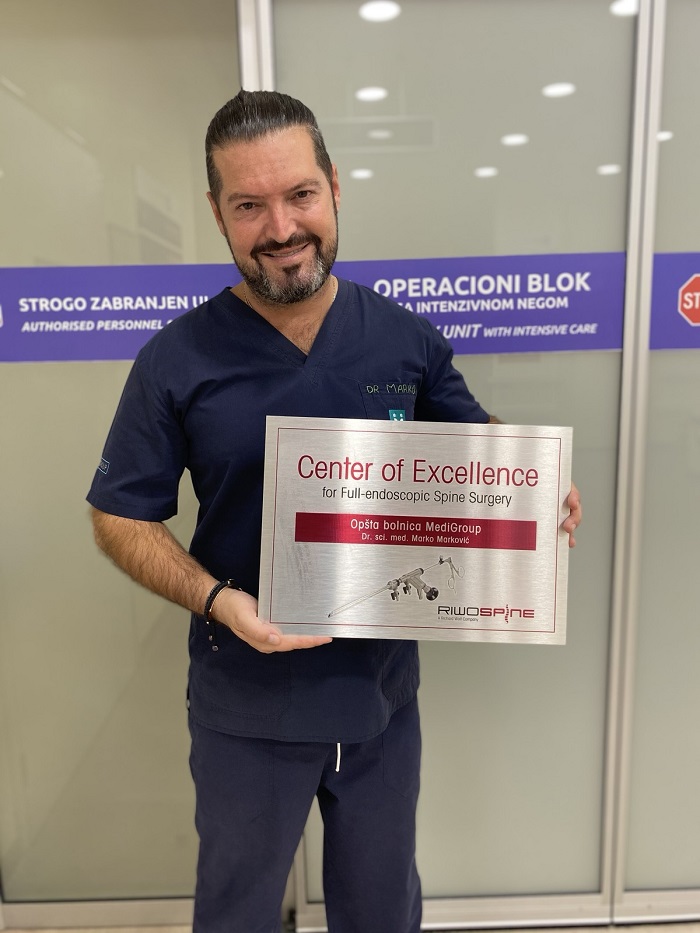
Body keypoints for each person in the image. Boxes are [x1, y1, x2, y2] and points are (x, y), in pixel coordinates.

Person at [88, 89, 582, 933]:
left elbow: (471, 442)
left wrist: (531, 478)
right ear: (217, 212)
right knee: (238, 913)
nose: (281, 227)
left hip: (379, 700)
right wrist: (218, 601)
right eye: (249, 205)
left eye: (300, 195)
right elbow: (120, 514)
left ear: (335, 188)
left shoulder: (403, 339)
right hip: (247, 703)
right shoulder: (175, 360)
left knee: (381, 911)